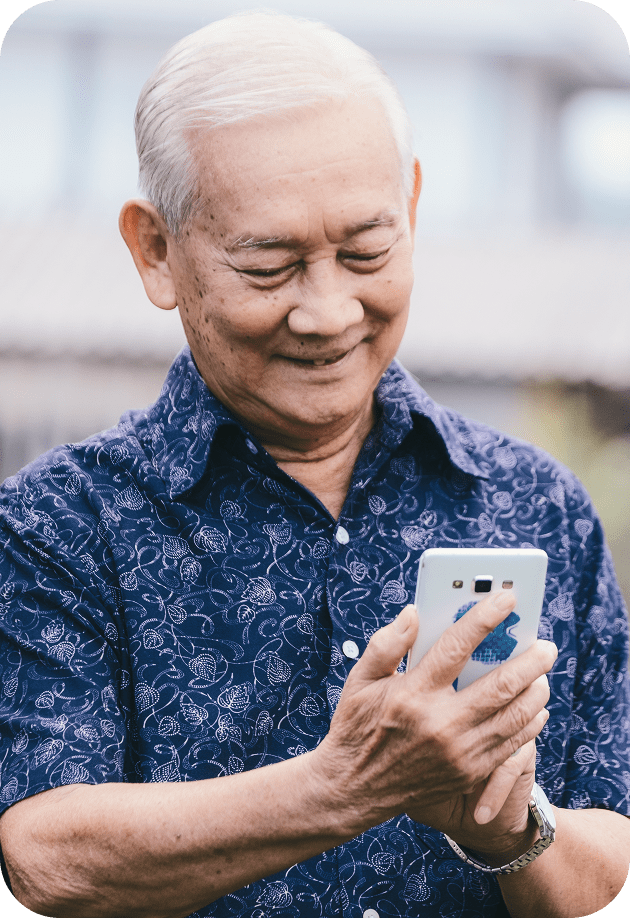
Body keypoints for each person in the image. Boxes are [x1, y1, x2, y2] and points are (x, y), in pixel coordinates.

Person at [0, 10, 628, 918]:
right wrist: (345, 785)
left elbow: (602, 850)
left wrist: (507, 825)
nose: (330, 312)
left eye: (366, 251)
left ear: (412, 206)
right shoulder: (58, 523)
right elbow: (50, 855)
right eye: (270, 266)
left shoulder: (536, 504)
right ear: (156, 250)